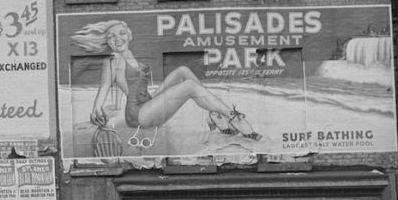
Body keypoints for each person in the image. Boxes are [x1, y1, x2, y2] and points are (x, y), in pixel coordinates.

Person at [71, 19, 260, 140]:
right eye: (111, 37)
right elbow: (104, 87)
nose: (117, 39)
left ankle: (214, 113)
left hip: (148, 103)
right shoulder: (112, 60)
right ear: (108, 42)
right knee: (189, 87)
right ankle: (231, 116)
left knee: (182, 70)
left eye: (121, 33)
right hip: (139, 115)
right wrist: (97, 109)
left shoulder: (131, 56)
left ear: (129, 35)